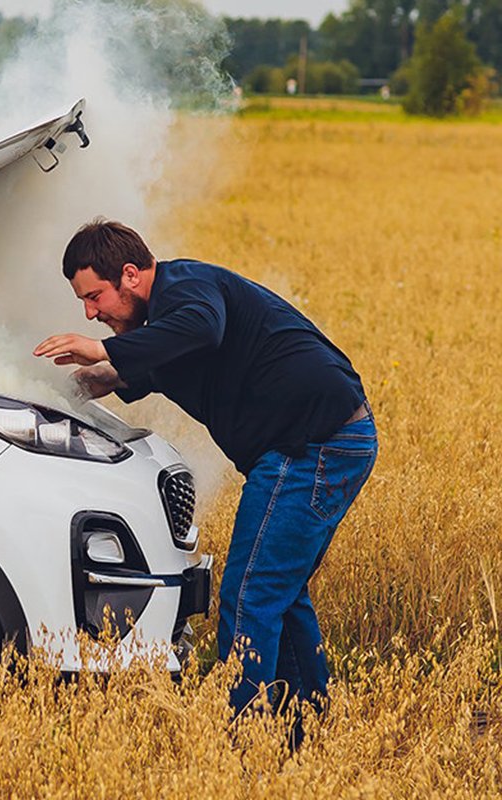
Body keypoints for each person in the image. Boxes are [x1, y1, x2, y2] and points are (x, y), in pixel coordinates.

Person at [34, 218, 378, 725]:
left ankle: (248, 738)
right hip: (318, 442)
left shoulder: (187, 289)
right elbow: (117, 374)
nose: (90, 314)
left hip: (313, 445)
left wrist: (103, 347)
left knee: (248, 595)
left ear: (130, 275)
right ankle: (306, 723)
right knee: (280, 593)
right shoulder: (162, 331)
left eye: (95, 297)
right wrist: (39, 390)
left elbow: (200, 327)